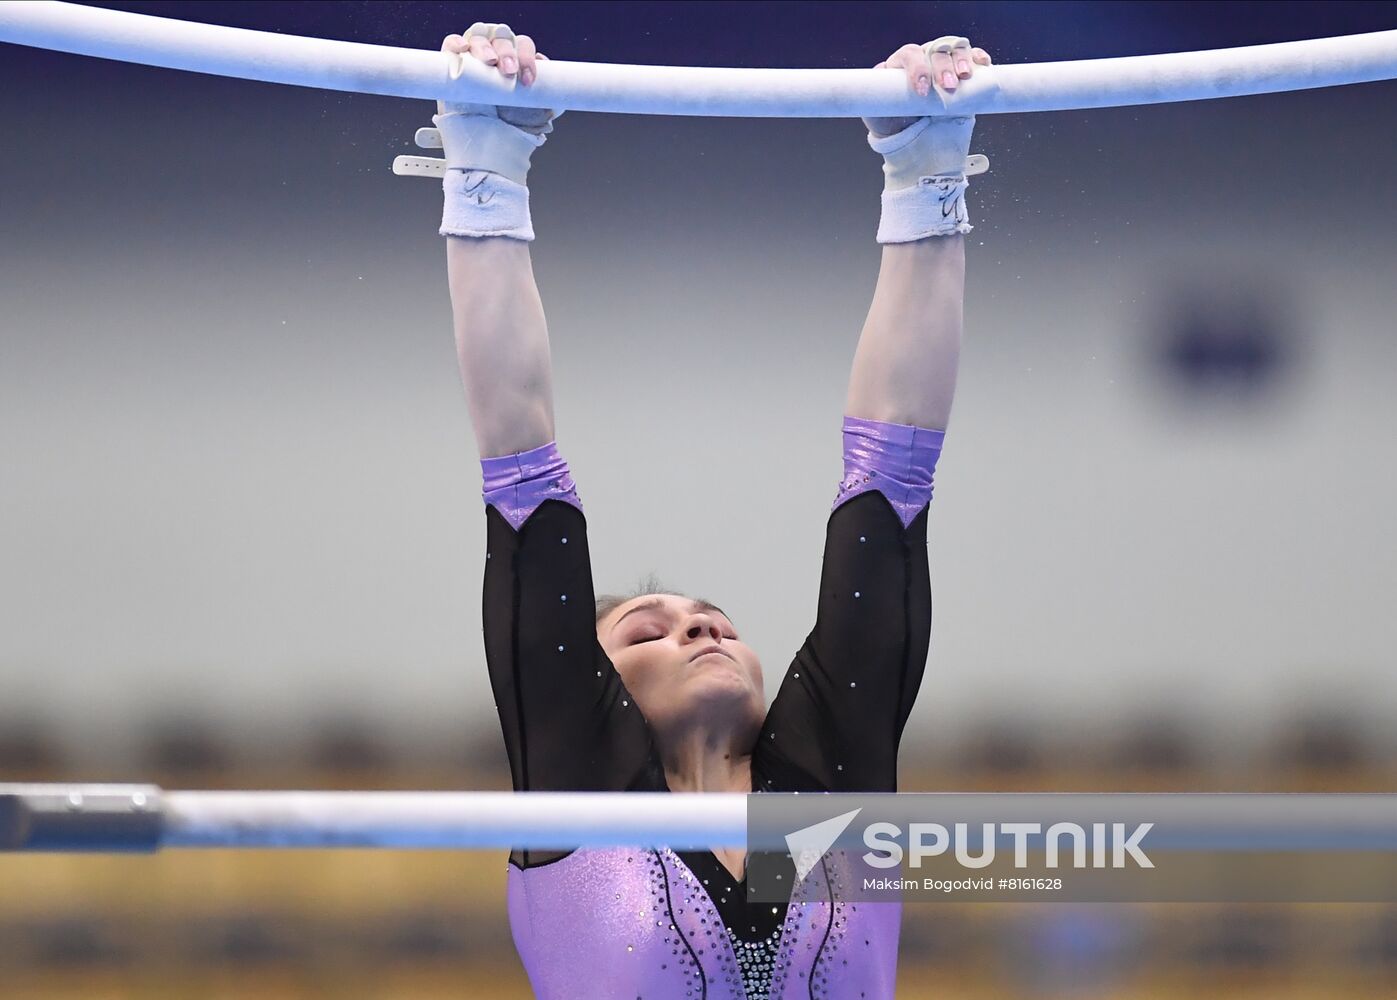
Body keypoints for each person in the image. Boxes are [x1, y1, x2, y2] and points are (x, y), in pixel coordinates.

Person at [426, 22, 990, 999]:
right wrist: (487, 161)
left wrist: (923, 171)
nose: (696, 623)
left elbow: (894, 472)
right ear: (593, 691)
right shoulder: (583, 796)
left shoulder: (813, 798)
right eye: (651, 629)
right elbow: (520, 467)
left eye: (712, 623)